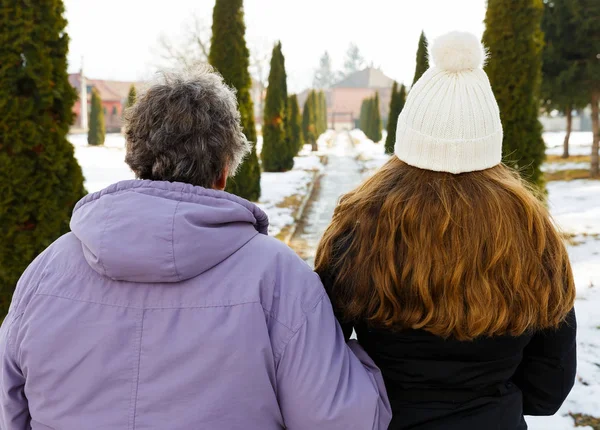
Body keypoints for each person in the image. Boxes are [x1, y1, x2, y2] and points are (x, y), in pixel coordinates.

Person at [0, 67, 391, 430]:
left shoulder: (45, 270)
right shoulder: (280, 277)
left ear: (134, 156)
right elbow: (339, 421)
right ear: (224, 169)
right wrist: (360, 357)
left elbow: (9, 406)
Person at [315, 31, 577, 430]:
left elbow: (322, 358)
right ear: (491, 137)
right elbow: (547, 390)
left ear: (408, 135)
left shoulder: (358, 222)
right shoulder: (533, 233)